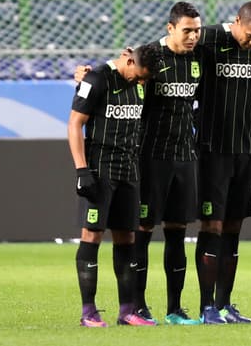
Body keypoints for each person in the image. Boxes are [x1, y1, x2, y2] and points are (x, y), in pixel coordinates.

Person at [192, 1, 251, 324]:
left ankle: (225, 305)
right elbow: (169, 54)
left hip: (246, 151)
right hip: (213, 150)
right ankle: (206, 305)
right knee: (212, 226)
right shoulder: (207, 38)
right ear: (237, 21)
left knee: (235, 227)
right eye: (250, 35)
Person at [68, 45, 155, 327]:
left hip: (129, 170)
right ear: (128, 59)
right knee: (92, 235)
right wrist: (81, 169)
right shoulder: (96, 80)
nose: (140, 82)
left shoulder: (140, 80)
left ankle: (127, 311)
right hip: (100, 169)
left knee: (126, 238)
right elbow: (74, 124)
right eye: (138, 75)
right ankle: (88, 312)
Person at [134, 3, 205, 325]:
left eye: (197, 30)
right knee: (143, 230)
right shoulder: (150, 56)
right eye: (187, 30)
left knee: (177, 232)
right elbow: (121, 75)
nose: (193, 36)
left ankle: (174, 309)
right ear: (170, 28)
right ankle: (136, 305)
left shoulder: (197, 59)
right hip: (152, 158)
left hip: (185, 157)